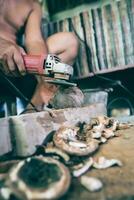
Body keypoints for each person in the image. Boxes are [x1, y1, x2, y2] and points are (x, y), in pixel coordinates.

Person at [0, 0, 84, 111]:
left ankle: (33, 109)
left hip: (16, 67)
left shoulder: (32, 4)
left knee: (69, 42)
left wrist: (45, 76)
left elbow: (35, 41)